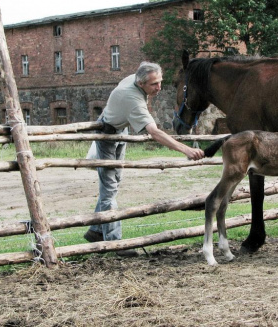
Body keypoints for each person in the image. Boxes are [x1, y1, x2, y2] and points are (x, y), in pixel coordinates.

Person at [84, 61, 204, 256]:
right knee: (109, 189)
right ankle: (115, 245)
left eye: (160, 82)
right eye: (154, 84)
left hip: (120, 128)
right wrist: (186, 150)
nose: (159, 87)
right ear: (141, 84)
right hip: (107, 133)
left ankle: (97, 230)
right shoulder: (133, 99)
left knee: (114, 183)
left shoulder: (136, 78)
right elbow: (154, 133)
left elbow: (142, 66)